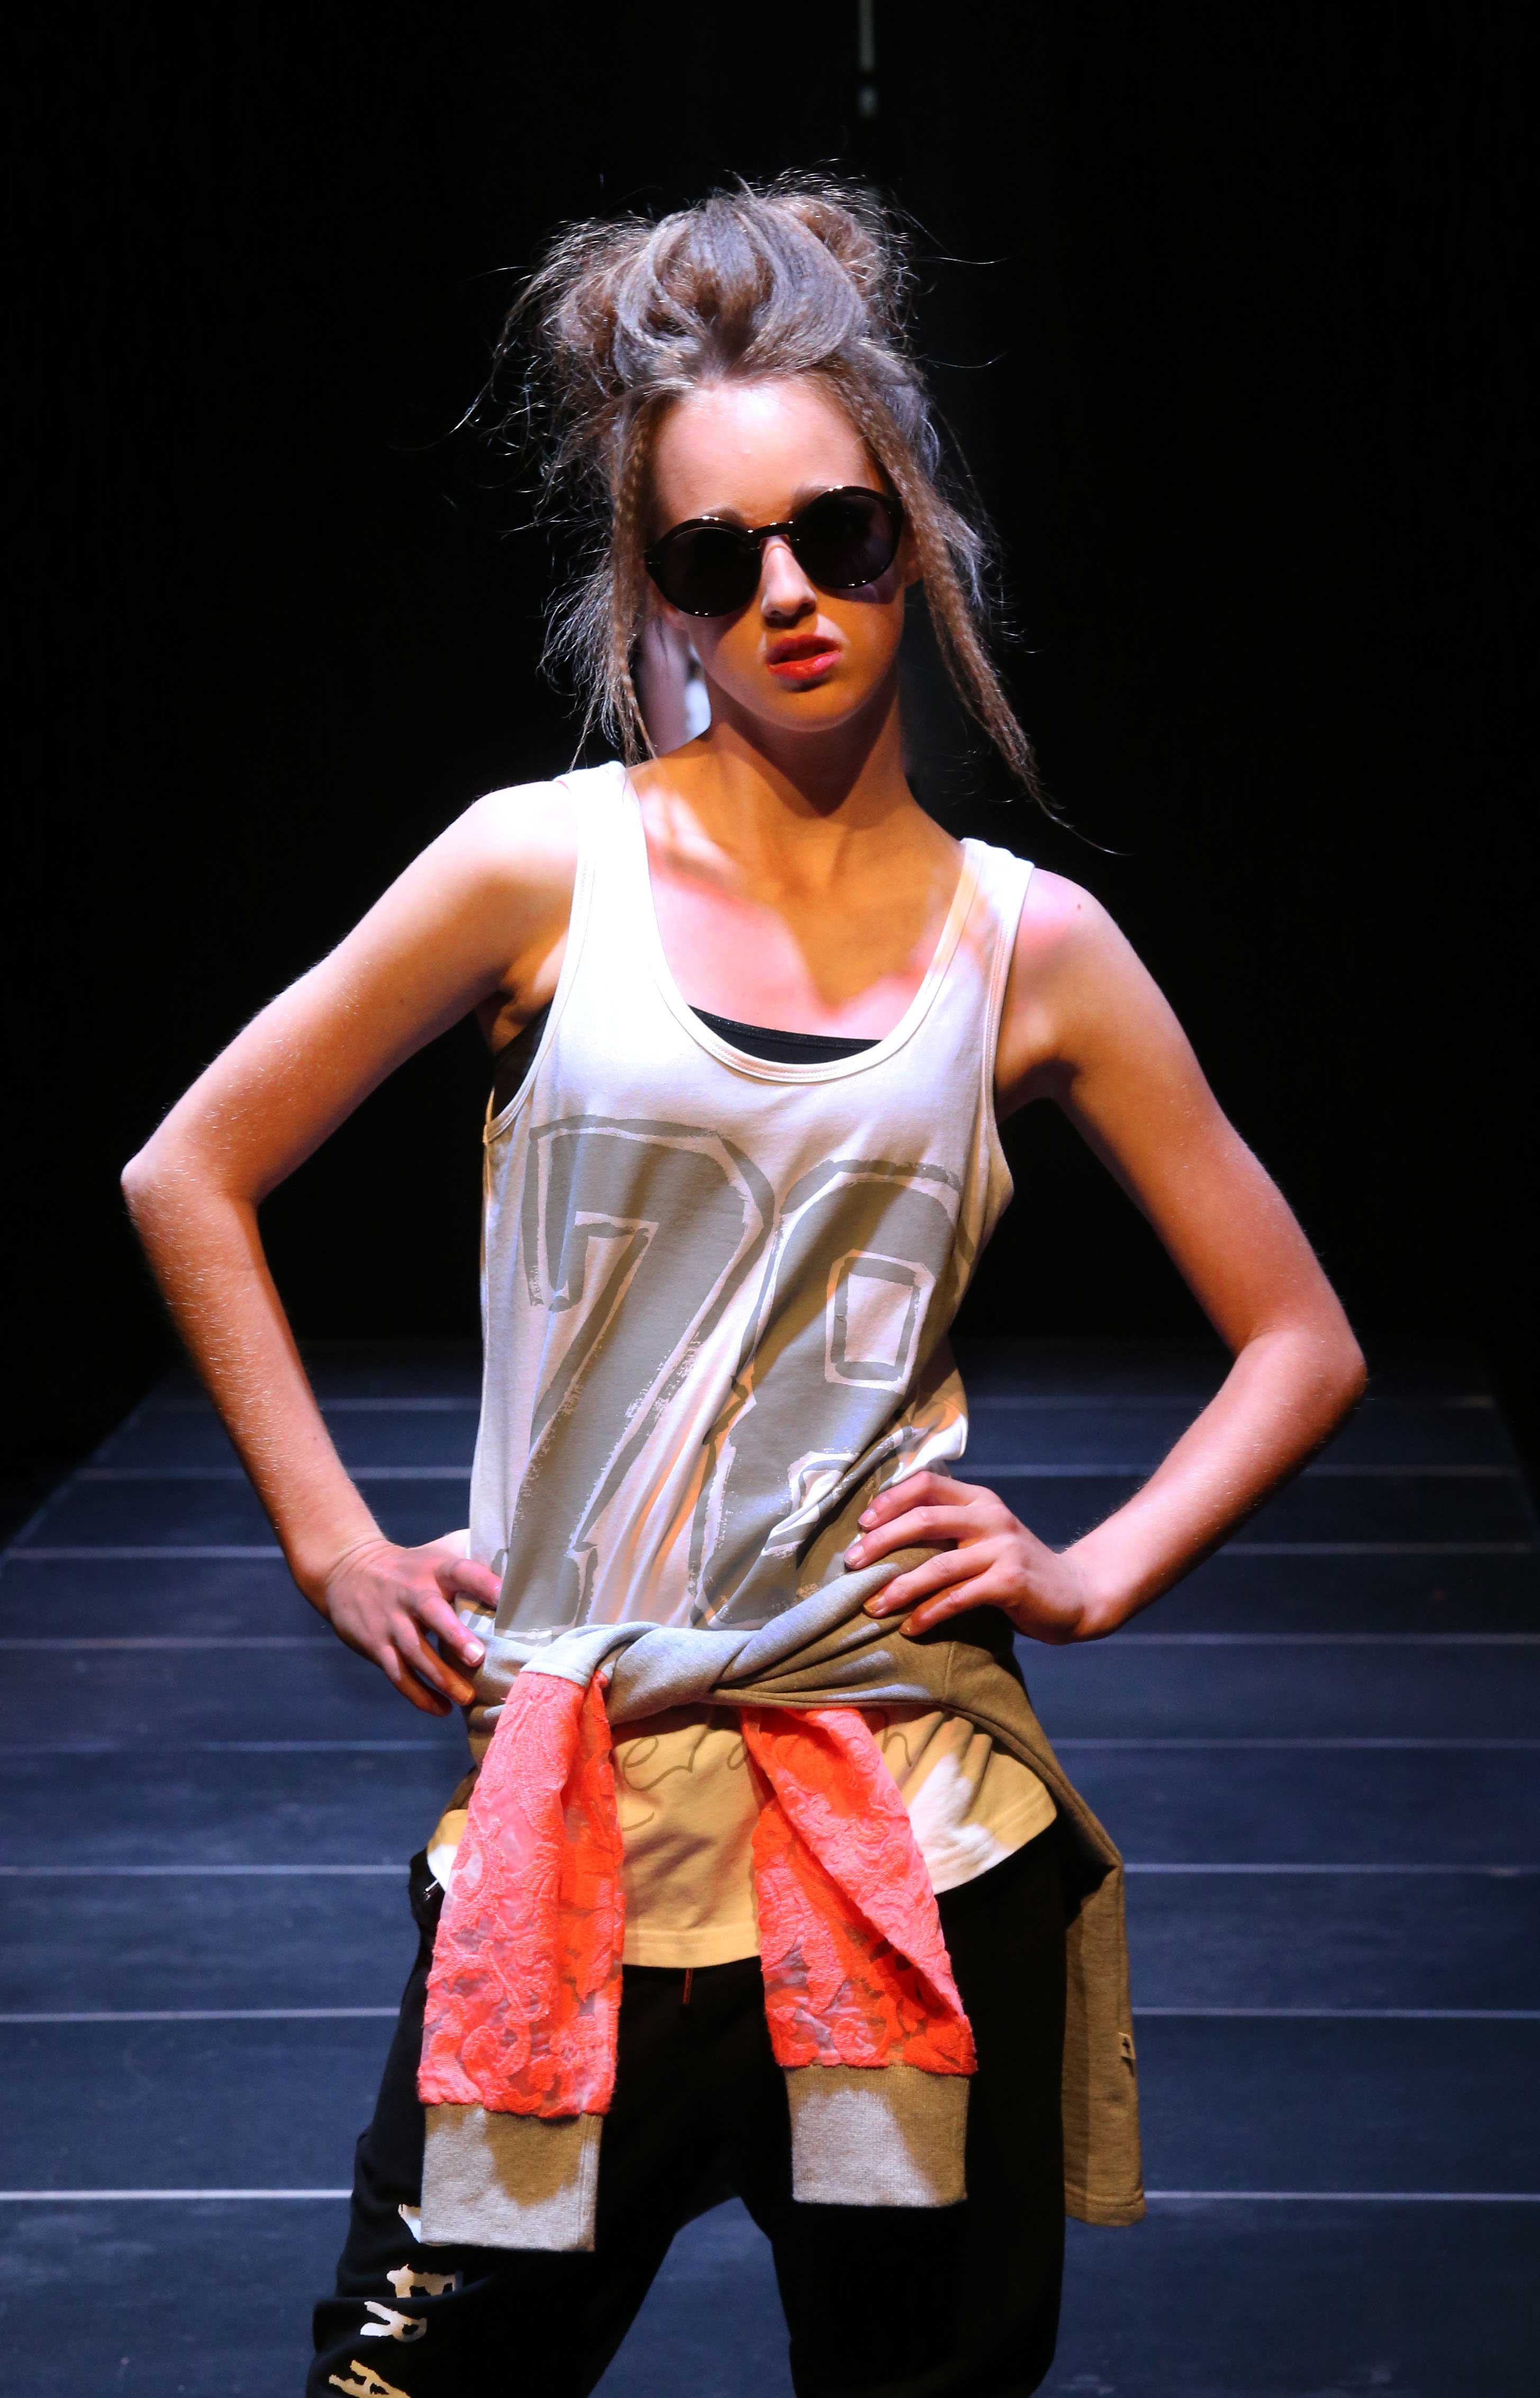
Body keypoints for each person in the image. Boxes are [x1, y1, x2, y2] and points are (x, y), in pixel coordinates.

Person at [121, 176, 1366, 2398]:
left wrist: (1087, 1575)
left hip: (910, 1830)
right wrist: (333, 1546)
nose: (786, 592)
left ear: (916, 539)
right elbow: (188, 1167)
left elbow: (1303, 1335)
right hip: (579, 1823)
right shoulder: (538, 863)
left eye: (837, 534)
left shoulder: (1031, 946)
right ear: (659, 597)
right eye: (716, 559)